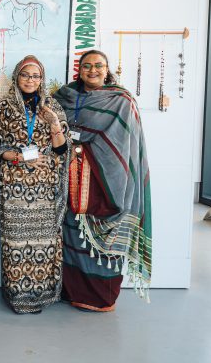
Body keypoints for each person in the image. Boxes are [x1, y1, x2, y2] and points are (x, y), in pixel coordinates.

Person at [54, 50, 152, 312]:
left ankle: (101, 298)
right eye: (87, 66)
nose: (93, 70)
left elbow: (125, 142)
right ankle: (72, 292)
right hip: (70, 177)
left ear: (107, 69)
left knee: (106, 237)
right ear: (79, 70)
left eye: (98, 65)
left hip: (107, 179)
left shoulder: (121, 100)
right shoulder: (64, 96)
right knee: (72, 231)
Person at [0, 55, 69, 314]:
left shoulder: (52, 106)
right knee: (14, 242)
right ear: (17, 77)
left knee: (43, 241)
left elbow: (61, 150)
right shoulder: (3, 108)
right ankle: (18, 297)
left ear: (41, 79)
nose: (30, 80)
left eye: (35, 76)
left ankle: (42, 295)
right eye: (25, 75)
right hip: (14, 186)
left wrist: (54, 123)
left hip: (44, 187)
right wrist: (19, 157)